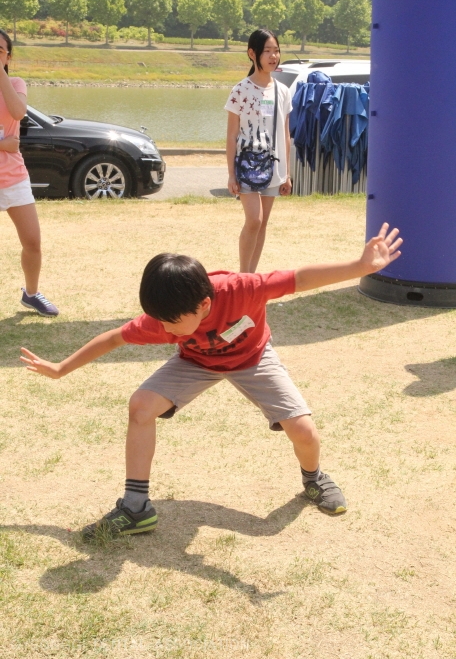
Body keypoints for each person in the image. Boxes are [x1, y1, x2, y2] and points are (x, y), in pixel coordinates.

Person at [20, 223, 402, 540]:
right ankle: (136, 508)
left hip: (253, 358)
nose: (164, 330)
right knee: (140, 405)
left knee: (303, 430)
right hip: (196, 362)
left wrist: (359, 266)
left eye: (172, 323)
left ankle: (314, 478)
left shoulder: (243, 288)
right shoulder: (163, 320)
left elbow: (300, 278)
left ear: (203, 305)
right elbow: (114, 338)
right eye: (161, 323)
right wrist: (60, 369)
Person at [0, 29, 58, 317]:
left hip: (13, 177)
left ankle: (31, 294)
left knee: (32, 242)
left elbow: (19, 112)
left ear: (9, 56)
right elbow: (9, 140)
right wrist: (4, 143)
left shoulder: (15, 83)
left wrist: (0, 73)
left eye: (0, 50)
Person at [226, 29, 292, 273]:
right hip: (246, 166)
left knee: (263, 224)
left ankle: (251, 278)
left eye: (276, 50)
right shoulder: (240, 90)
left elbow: (285, 135)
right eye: (267, 51)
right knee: (254, 220)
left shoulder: (283, 91)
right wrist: (231, 174)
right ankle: (243, 277)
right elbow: (232, 135)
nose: (273, 56)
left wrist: (286, 174)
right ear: (252, 54)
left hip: (273, 166)